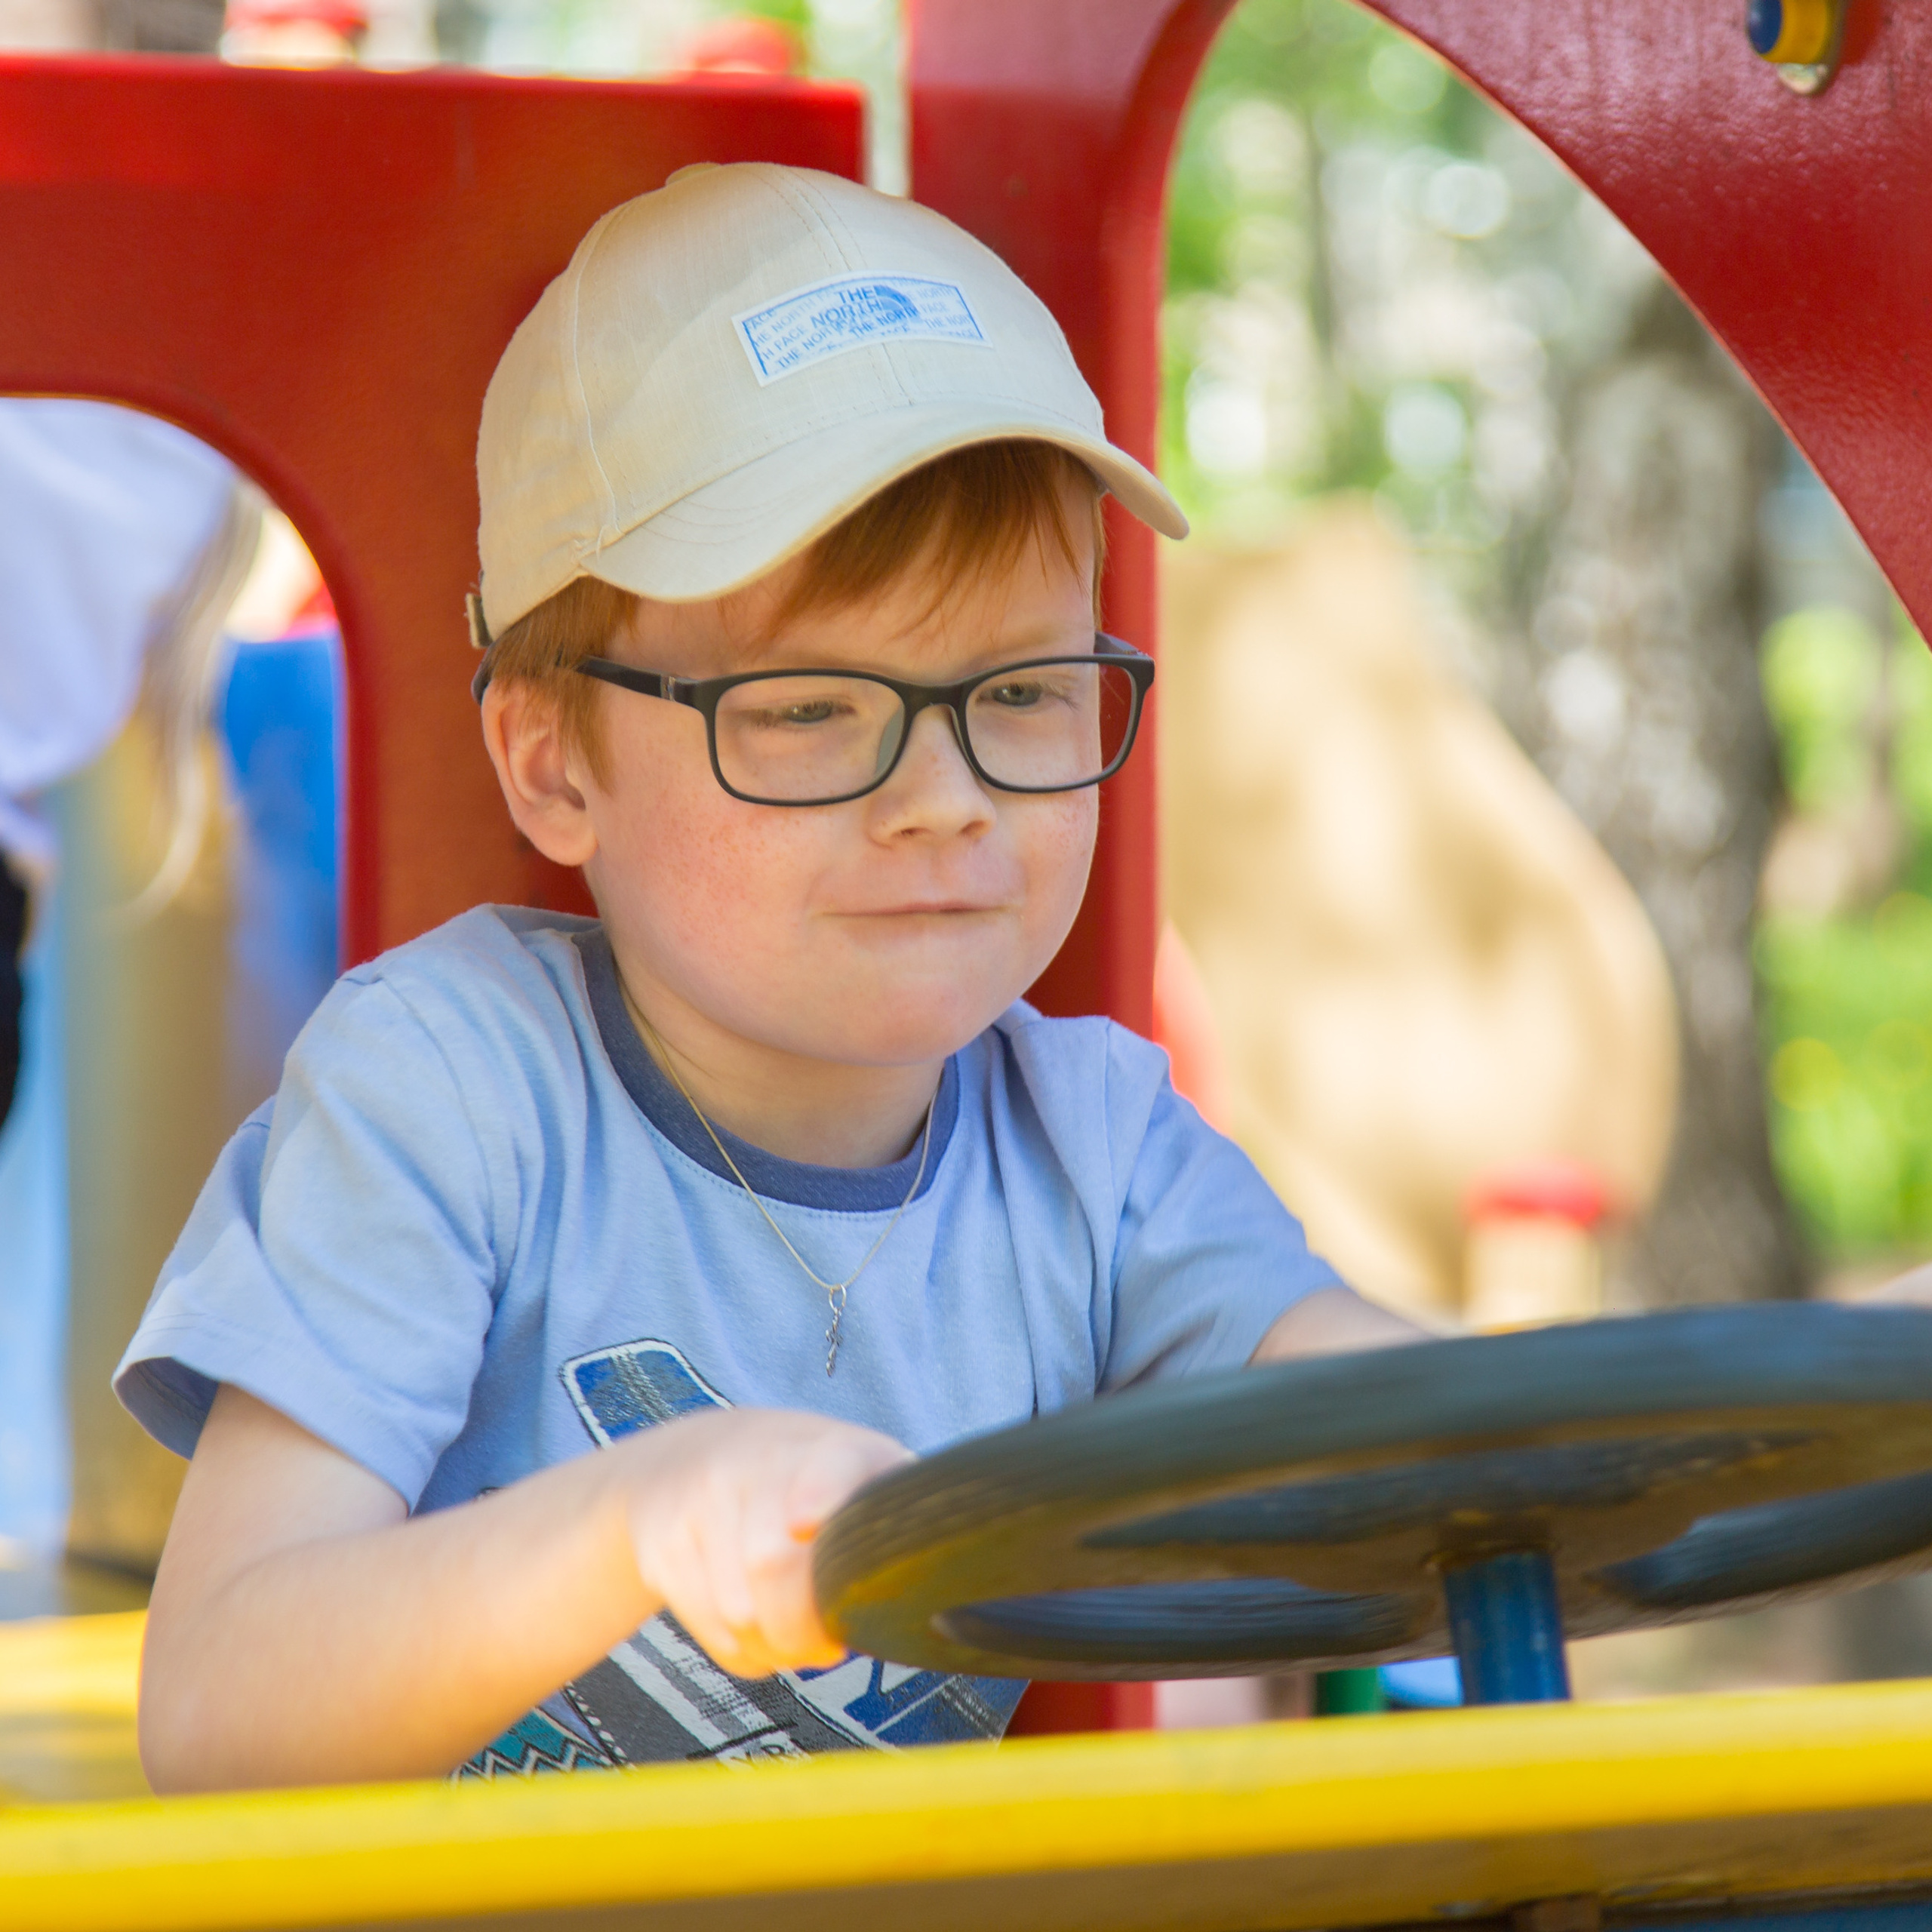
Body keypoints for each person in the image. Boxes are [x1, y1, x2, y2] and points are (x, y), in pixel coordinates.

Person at [117, 163, 1419, 1794]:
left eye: (1019, 689)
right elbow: (219, 1714)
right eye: (806, 708)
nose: (945, 792)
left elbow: (1402, 1425)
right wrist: (636, 1520)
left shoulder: (1094, 1149)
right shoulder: (449, 1095)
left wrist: (1718, 1414)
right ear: (551, 764)